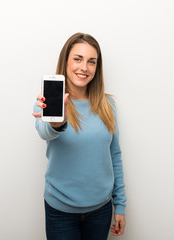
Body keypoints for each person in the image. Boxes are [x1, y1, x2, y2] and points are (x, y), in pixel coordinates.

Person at [32, 32, 127, 240]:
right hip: (60, 213)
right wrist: (57, 122)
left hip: (101, 211)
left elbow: (115, 155)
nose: (84, 67)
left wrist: (120, 204)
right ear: (65, 61)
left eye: (91, 61)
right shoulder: (46, 103)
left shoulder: (107, 105)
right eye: (77, 59)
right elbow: (44, 132)